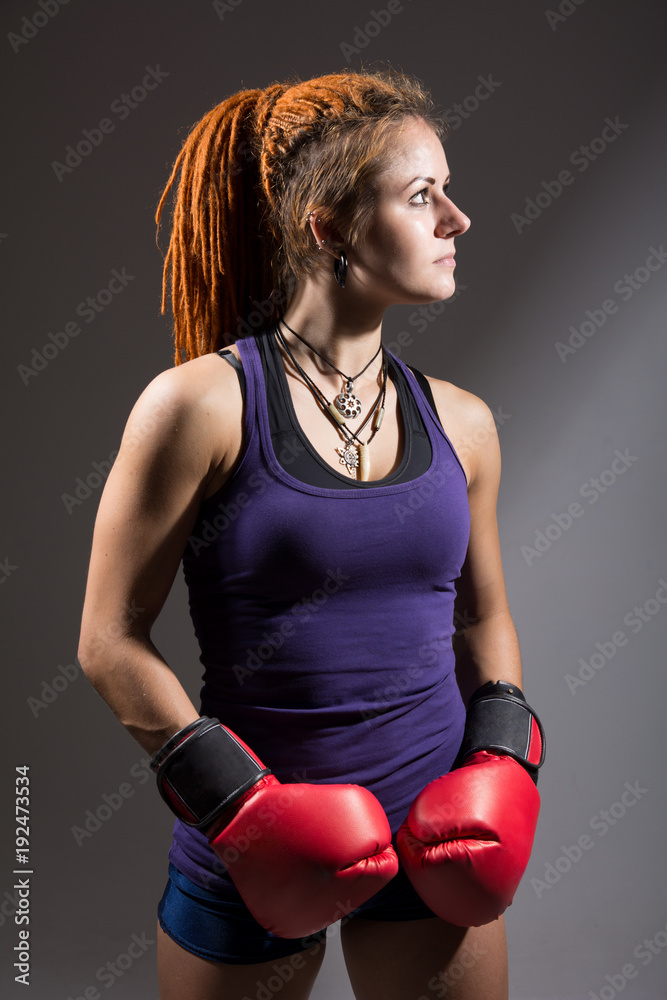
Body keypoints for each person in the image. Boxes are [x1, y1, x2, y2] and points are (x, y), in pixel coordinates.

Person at [77, 68, 544, 1000]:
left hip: (438, 839)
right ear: (326, 226)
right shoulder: (198, 408)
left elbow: (483, 617)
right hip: (255, 849)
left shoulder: (463, 423)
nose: (456, 220)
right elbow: (107, 640)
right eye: (421, 197)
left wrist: (503, 759)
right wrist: (241, 808)